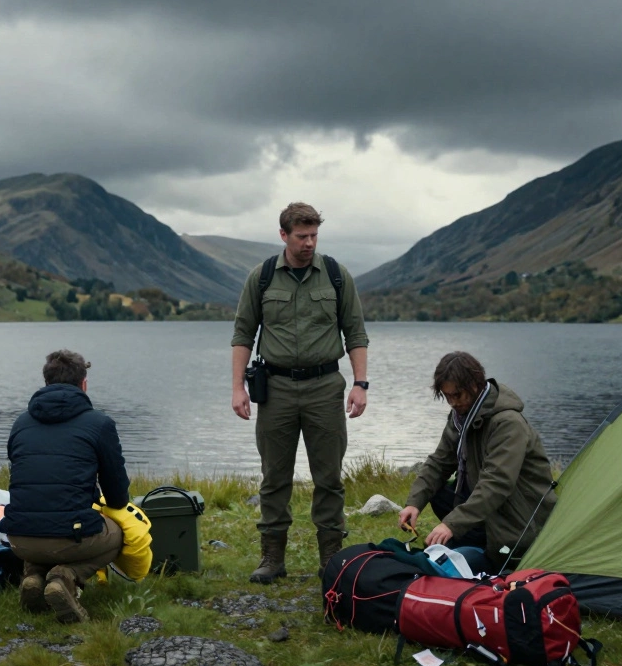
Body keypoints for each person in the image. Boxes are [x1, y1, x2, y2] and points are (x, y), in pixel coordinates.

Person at [231, 202, 370, 582]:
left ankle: (332, 559)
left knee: (329, 476)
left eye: (314, 236)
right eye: (301, 236)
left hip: (326, 387)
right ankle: (272, 559)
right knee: (274, 476)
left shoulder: (337, 276)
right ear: (284, 235)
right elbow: (243, 334)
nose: (309, 243)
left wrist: (360, 384)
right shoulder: (260, 278)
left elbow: (356, 333)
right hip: (274, 389)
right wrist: (237, 387)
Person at [398, 352, 556, 574]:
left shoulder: (508, 423)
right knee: (436, 491)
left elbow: (496, 484)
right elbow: (439, 462)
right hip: (487, 513)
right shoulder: (461, 416)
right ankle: (470, 541)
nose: (452, 402)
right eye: (447, 396)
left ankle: (490, 553)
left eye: (457, 395)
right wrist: (414, 503)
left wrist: (451, 524)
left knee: (448, 566)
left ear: (475, 385)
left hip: (517, 519)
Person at [2, 350, 130, 622]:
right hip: (68, 538)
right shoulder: (99, 424)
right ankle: (66, 578)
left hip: (17, 540)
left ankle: (34, 576)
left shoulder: (20, 423)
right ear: (83, 383)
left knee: (44, 519)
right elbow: (118, 497)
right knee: (117, 534)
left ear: (46, 383)